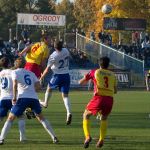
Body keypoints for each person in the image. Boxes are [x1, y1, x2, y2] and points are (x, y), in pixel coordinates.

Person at [0, 57, 58, 145]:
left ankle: (1, 139)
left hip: (22, 97)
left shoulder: (15, 72)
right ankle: (54, 137)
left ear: (16, 65)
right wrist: (31, 89)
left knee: (10, 118)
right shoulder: (31, 73)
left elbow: (15, 84)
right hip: (34, 98)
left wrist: (15, 97)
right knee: (41, 118)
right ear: (25, 65)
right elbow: (38, 88)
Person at [79, 56, 117, 148]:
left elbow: (81, 82)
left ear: (99, 64)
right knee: (104, 118)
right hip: (110, 99)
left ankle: (87, 137)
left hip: (99, 98)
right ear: (108, 65)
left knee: (86, 115)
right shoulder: (113, 75)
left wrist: (81, 80)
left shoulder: (95, 72)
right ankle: (101, 139)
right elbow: (115, 91)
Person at [39, 41, 72, 125]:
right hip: (66, 75)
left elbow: (47, 69)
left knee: (49, 88)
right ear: (62, 46)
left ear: (54, 47)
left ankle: (45, 103)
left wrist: (41, 77)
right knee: (65, 96)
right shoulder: (66, 50)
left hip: (58, 76)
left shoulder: (53, 56)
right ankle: (68, 112)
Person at [0, 57, 26, 142]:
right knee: (21, 116)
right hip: (12, 99)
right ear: (10, 63)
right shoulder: (13, 72)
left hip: (2, 98)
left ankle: (1, 138)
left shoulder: (0, 73)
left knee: (1, 117)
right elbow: (17, 83)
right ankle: (22, 138)